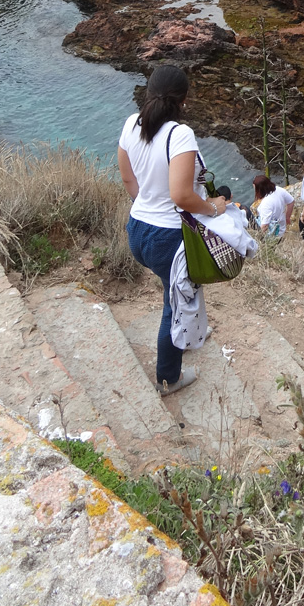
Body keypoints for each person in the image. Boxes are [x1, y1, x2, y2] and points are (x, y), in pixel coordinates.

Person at [118, 63, 228, 396]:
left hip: (138, 229)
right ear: (184, 100)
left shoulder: (131, 124)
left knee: (177, 290)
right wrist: (213, 208)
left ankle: (191, 330)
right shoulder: (180, 134)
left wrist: (148, 205)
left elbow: (128, 179)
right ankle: (169, 379)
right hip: (167, 239)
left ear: (149, 92)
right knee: (175, 305)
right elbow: (182, 196)